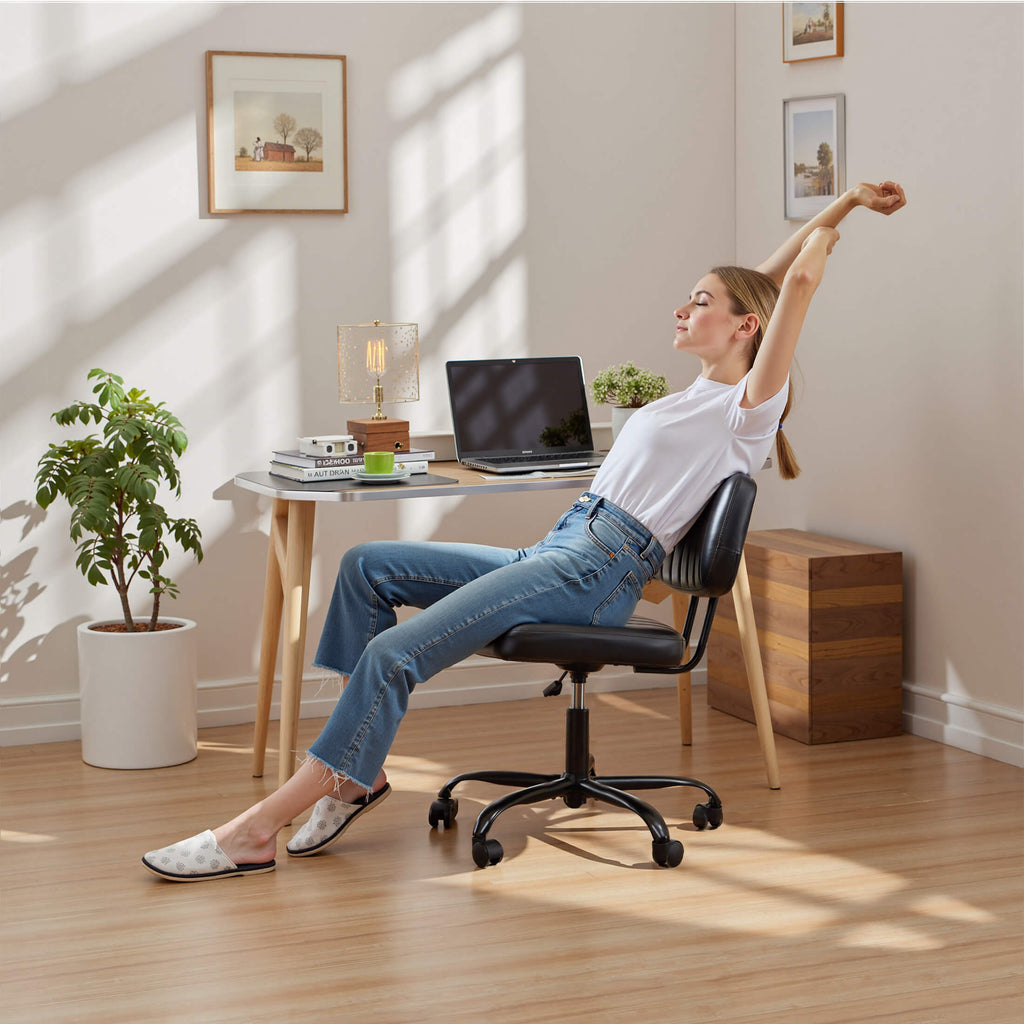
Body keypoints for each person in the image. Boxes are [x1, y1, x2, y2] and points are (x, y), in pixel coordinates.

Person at [143, 180, 907, 881]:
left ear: (745, 327)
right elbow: (770, 282)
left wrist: (841, 226)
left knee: (393, 654)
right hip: (564, 545)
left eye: (699, 300)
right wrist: (840, 200)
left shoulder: (746, 411)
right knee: (367, 565)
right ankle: (355, 773)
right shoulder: (697, 392)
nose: (682, 308)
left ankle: (254, 830)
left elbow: (793, 283)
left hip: (595, 572)